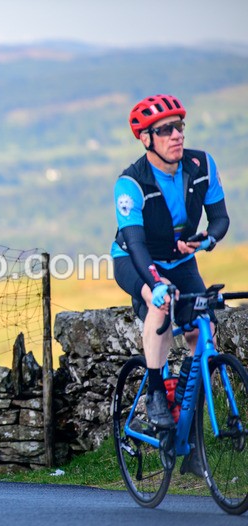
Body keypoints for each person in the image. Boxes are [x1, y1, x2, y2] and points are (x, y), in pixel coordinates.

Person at [112, 94, 229, 477]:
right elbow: (136, 242)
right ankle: (156, 393)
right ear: (146, 139)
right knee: (159, 305)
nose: (176, 135)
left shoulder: (201, 165)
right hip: (135, 259)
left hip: (181, 260)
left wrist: (205, 241)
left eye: (179, 127)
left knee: (201, 336)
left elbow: (220, 219)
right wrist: (156, 283)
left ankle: (191, 437)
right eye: (164, 130)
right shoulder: (130, 183)